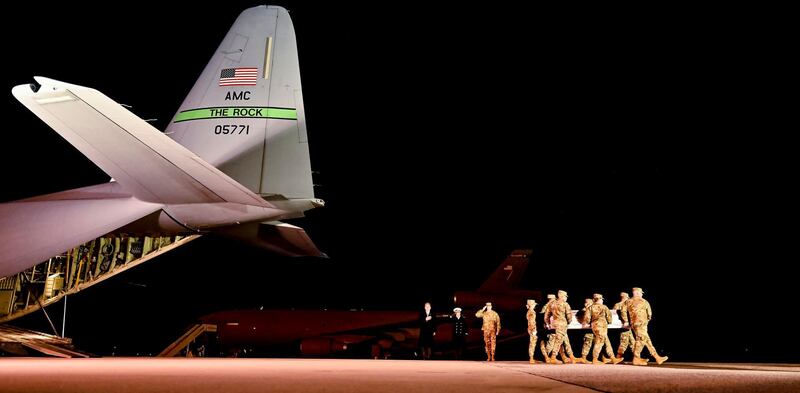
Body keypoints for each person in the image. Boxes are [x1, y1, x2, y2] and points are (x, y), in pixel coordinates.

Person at [623, 287, 668, 366]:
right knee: (640, 340)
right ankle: (636, 358)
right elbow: (649, 314)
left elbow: (623, 311)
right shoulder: (644, 301)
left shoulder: (627, 301)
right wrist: (646, 321)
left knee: (646, 340)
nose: (641, 294)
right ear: (637, 292)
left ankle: (657, 357)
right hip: (642, 324)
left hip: (634, 324)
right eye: (641, 293)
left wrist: (626, 321)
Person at [589, 293, 623, 365]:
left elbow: (587, 318)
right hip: (602, 326)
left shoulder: (590, 307)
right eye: (601, 299)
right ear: (599, 299)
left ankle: (613, 358)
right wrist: (609, 322)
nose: (602, 300)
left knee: (606, 341)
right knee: (599, 342)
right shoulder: (604, 307)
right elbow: (609, 317)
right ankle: (595, 359)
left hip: (594, 326)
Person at [544, 290, 576, 364]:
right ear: (562, 296)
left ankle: (571, 356)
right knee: (559, 341)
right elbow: (569, 316)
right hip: (562, 324)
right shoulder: (565, 304)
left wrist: (548, 323)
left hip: (555, 323)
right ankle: (553, 357)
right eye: (565, 296)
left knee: (565, 340)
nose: (566, 298)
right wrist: (568, 322)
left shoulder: (552, 304)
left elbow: (547, 315)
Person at [613, 292, 636, 360]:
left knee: (632, 342)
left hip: (621, 325)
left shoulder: (616, 305)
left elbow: (613, 316)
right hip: (625, 325)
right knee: (624, 342)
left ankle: (637, 357)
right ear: (626, 297)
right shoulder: (626, 304)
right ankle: (618, 357)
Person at [576, 298, 594, 364]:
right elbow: (578, 316)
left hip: (593, 328)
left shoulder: (590, 309)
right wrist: (584, 323)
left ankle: (601, 357)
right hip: (588, 329)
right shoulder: (584, 310)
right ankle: (583, 358)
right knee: (588, 342)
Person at [525, 299, 538, 363]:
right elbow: (531, 322)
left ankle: (531, 357)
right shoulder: (531, 312)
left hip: (530, 328)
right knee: (532, 343)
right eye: (534, 305)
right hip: (532, 328)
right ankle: (531, 358)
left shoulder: (530, 311)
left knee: (532, 343)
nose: (535, 306)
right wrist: (533, 330)